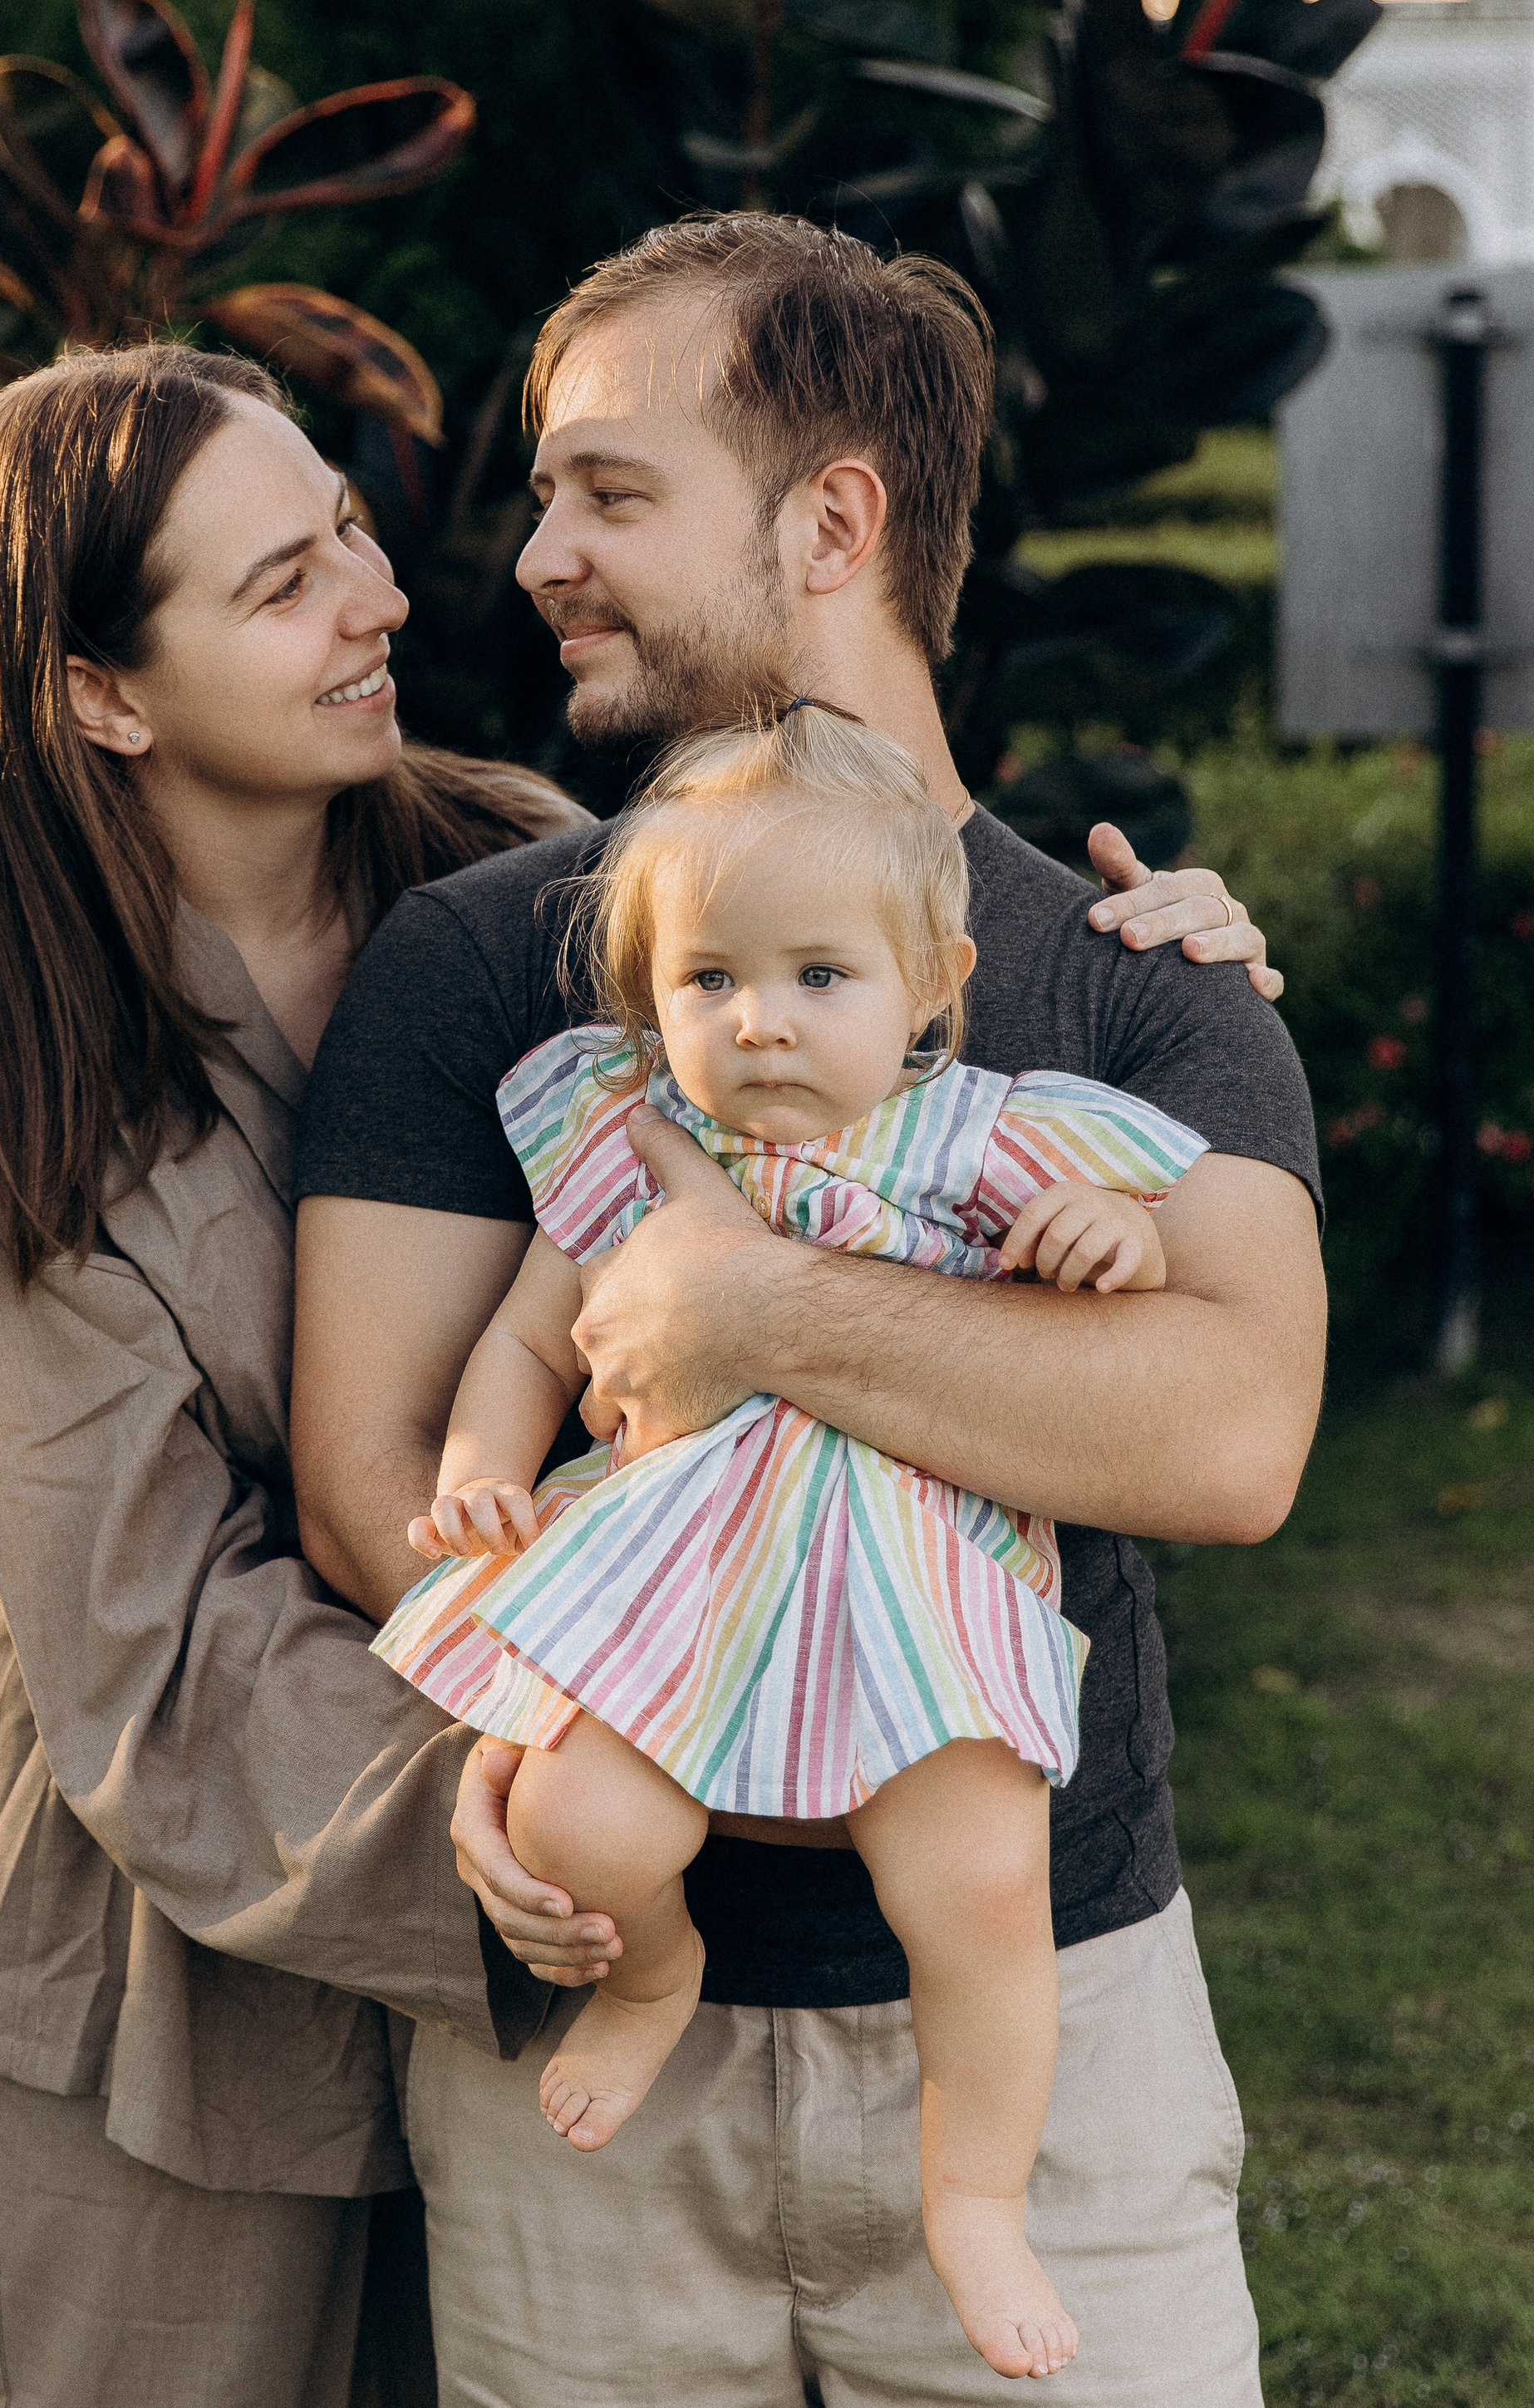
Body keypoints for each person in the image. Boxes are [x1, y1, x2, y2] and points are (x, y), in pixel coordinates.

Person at [291, 217, 1325, 2407]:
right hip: (582, 2048)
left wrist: (753, 1307)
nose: (536, 553)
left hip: (1050, 2034)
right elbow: (371, 1469)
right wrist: (532, 1723)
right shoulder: (489, 969)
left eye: (608, 491)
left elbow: (1232, 1433)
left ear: (832, 518)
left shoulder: (1129, 981)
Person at [0, 342, 588, 2408]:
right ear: (97, 692)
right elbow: (149, 1639)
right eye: (280, 583)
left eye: (351, 532)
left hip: (581, 1933)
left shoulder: (526, 883)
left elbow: (833, 1061)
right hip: (165, 2003)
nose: (379, 597)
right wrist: (541, 1806)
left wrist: (1129, 984)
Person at [376, 712, 1214, 2382]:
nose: (756, 1020)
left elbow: (1148, 1274)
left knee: (973, 1881)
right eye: (706, 982)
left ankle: (969, 2190)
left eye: (817, 977)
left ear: (927, 983)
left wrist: (1102, 1234)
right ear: (649, 999)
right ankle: (651, 1981)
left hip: (910, 1590)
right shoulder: (619, 1145)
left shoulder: (979, 1137)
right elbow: (531, 1342)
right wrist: (479, 1463)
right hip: (685, 1584)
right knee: (577, 1817)